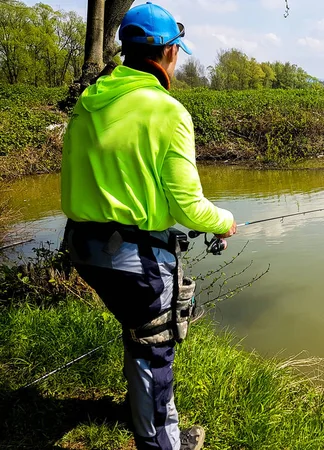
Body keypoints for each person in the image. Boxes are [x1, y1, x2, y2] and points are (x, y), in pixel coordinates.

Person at [61, 3, 236, 449]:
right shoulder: (168, 111)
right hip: (134, 258)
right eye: (177, 51)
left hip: (84, 250)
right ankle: (162, 441)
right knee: (156, 349)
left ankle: (144, 417)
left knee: (139, 333)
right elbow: (190, 208)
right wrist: (226, 221)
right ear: (168, 54)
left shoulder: (90, 101)